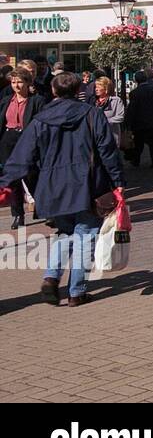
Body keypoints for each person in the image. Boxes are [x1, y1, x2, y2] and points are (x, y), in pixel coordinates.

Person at [0, 71, 124, 306]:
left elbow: (23, 155)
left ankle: (51, 277)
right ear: (79, 91)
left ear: (54, 91)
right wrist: (118, 182)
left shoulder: (41, 119)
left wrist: (6, 180)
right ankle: (76, 291)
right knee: (85, 235)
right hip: (87, 184)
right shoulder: (92, 114)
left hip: (53, 186)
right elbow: (107, 150)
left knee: (65, 233)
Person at [0, 68, 45, 227]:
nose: (16, 86)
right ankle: (18, 214)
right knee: (12, 180)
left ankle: (41, 206)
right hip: (8, 139)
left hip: (27, 140)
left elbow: (41, 122)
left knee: (31, 175)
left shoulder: (37, 100)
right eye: (13, 82)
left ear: (27, 83)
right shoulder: (6, 100)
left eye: (19, 82)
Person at [124, 68, 153, 168]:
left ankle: (136, 161)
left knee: (138, 143)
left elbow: (132, 109)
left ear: (136, 80)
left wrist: (127, 122)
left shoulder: (135, 93)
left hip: (139, 123)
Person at [93, 76, 125, 147]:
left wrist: (105, 121)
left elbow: (120, 117)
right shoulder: (93, 101)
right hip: (97, 136)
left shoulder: (116, 100)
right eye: (95, 87)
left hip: (111, 135)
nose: (96, 89)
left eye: (98, 87)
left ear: (106, 88)